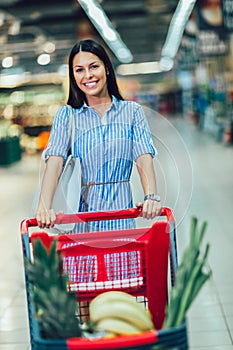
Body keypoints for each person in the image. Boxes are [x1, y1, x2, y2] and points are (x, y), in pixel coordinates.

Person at [36, 39, 162, 231]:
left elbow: (143, 157)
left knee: (122, 260)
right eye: (79, 70)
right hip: (80, 221)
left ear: (107, 69)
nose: (88, 75)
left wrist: (151, 196)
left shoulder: (132, 112)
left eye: (94, 67)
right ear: (73, 76)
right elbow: (54, 162)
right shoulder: (67, 116)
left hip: (121, 219)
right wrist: (44, 206)